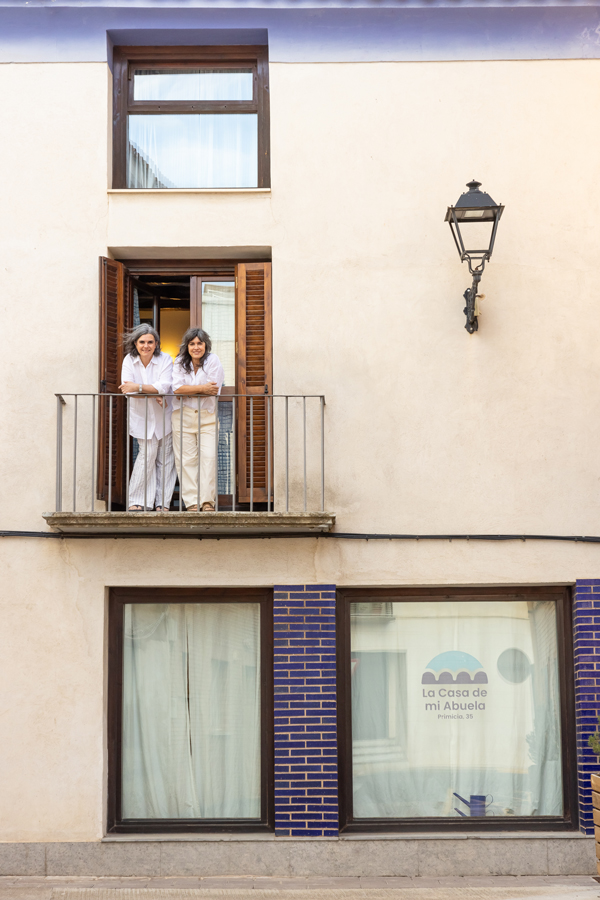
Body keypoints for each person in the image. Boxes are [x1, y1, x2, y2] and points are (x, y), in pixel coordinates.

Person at [119, 324, 176, 511]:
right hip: (141, 418)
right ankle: (138, 501)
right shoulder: (129, 360)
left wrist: (140, 387)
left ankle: (162, 504)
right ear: (135, 343)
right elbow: (127, 390)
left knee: (166, 460)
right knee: (147, 456)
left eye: (150, 342)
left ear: (156, 343)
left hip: (164, 417)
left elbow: (165, 386)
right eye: (142, 342)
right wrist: (154, 393)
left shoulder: (165, 359)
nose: (146, 346)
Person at [172, 327, 224, 512]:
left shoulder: (213, 360)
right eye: (192, 343)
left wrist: (189, 390)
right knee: (186, 461)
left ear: (205, 345)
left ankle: (207, 502)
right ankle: (192, 503)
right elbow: (177, 389)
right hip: (182, 416)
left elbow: (213, 390)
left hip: (207, 417)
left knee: (208, 458)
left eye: (199, 343)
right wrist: (201, 388)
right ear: (187, 346)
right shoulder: (179, 362)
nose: (196, 347)